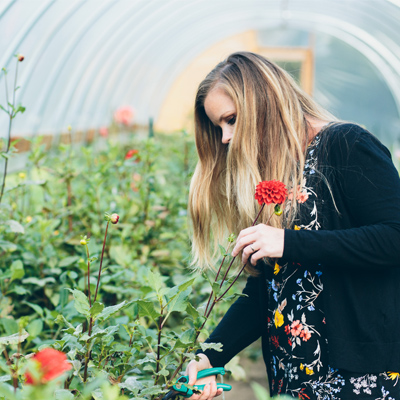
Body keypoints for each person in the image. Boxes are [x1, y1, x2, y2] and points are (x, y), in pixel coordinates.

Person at [185, 51, 400, 399]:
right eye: (218, 127)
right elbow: (268, 287)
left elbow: (395, 236)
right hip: (296, 379)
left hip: (359, 379)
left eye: (232, 120)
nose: (224, 138)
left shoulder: (346, 145)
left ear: (262, 103)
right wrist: (210, 354)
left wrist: (288, 242)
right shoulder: (282, 170)